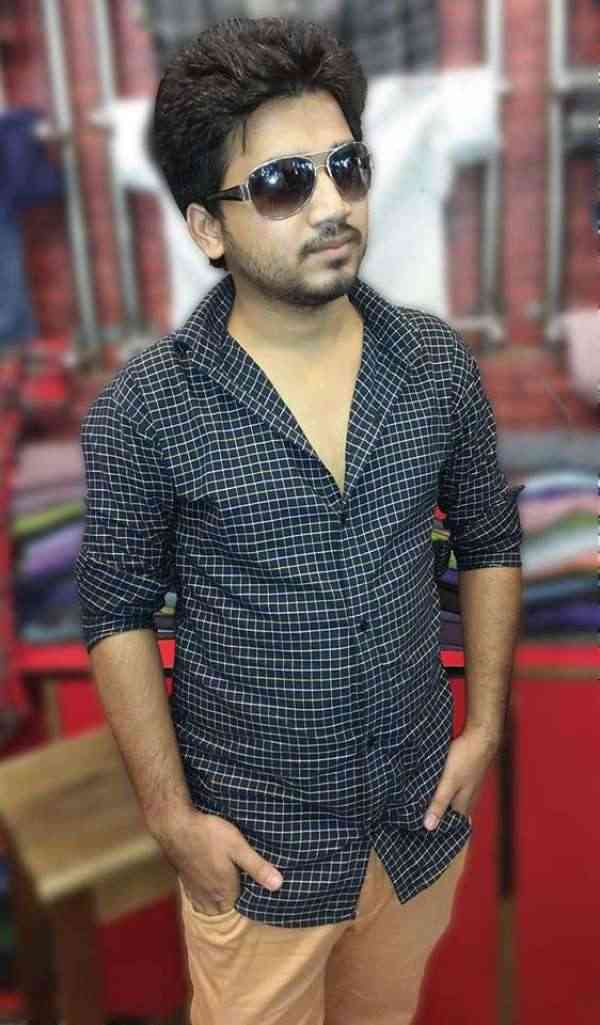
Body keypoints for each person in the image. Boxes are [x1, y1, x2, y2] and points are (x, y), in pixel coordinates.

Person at [75, 16, 523, 1025]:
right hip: (258, 855)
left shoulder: (435, 363)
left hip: (414, 825)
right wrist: (171, 818)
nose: (332, 207)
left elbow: (489, 538)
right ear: (208, 229)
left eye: (346, 169)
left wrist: (486, 722)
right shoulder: (146, 408)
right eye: (283, 184)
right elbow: (116, 612)